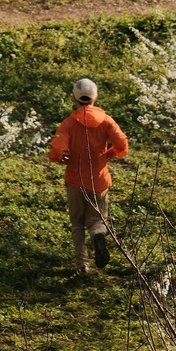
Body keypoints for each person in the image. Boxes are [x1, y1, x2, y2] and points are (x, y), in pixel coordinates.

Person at [47, 77, 128, 275]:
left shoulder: (68, 123)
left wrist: (60, 158)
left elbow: (56, 148)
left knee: (77, 224)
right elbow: (122, 145)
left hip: (75, 180)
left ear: (74, 99)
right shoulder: (107, 121)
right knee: (97, 220)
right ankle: (98, 236)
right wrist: (109, 154)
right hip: (99, 180)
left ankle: (82, 265)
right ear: (95, 98)